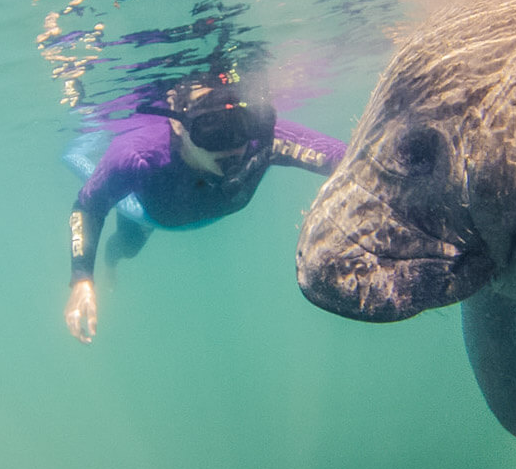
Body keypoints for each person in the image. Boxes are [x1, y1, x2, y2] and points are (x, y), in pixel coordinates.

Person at [63, 68, 347, 343]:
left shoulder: (262, 140)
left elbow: (349, 160)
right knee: (127, 246)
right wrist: (82, 278)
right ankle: (110, 254)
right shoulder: (136, 156)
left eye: (241, 124)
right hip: (151, 215)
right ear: (177, 124)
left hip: (183, 211)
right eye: (211, 128)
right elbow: (88, 205)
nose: (233, 146)